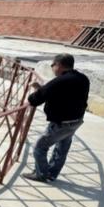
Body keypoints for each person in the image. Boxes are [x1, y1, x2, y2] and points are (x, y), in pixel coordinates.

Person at [22, 53, 89, 183]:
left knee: (39, 147)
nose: (52, 68)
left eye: (53, 65)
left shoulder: (59, 81)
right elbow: (64, 96)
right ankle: (52, 174)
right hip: (76, 121)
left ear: (59, 65)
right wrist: (40, 89)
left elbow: (35, 100)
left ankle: (41, 174)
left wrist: (36, 91)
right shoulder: (83, 78)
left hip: (61, 123)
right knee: (61, 149)